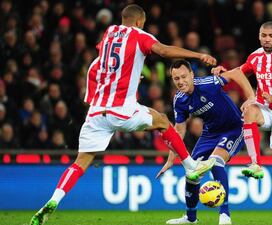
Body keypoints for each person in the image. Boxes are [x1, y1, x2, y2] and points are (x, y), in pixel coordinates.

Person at [30, 4, 217, 225]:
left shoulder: (109, 33)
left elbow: (99, 65)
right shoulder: (139, 35)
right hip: (121, 107)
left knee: (80, 162)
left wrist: (99, 91)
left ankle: (53, 200)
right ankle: (191, 167)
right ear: (139, 21)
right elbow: (164, 51)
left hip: (97, 110)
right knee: (163, 122)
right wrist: (198, 55)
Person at [212, 21, 272, 224]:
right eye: (263, 35)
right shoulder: (255, 56)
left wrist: (270, 98)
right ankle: (256, 163)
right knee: (249, 110)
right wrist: (222, 72)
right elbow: (240, 72)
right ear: (259, 36)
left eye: (271, 35)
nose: (267, 39)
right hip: (264, 109)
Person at [156, 59, 255, 225]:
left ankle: (225, 215)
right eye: (176, 79)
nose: (180, 82)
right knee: (192, 173)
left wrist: (251, 98)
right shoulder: (179, 100)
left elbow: (236, 73)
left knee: (216, 162)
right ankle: (190, 218)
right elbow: (179, 131)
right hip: (209, 134)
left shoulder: (208, 83)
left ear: (192, 75)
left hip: (233, 128)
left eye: (183, 76)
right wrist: (170, 159)